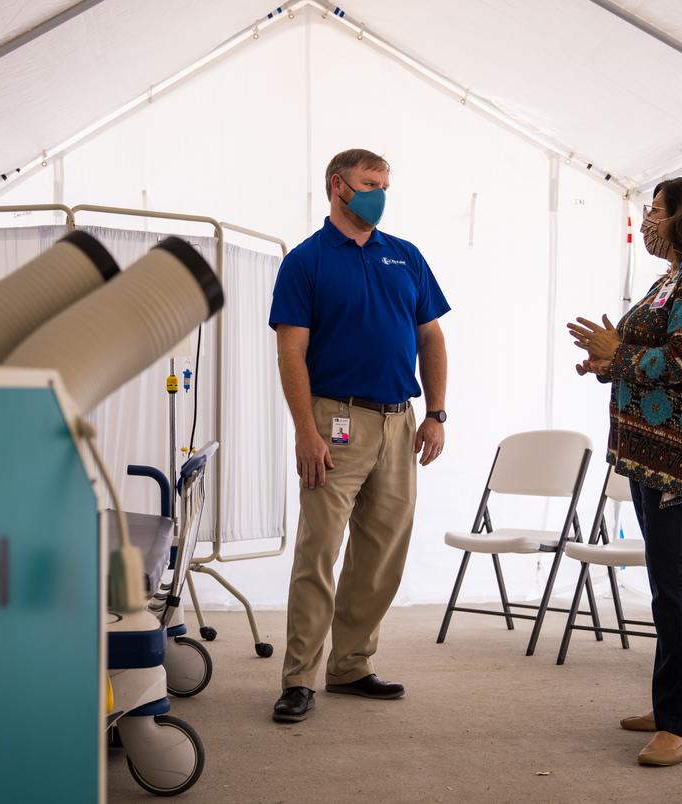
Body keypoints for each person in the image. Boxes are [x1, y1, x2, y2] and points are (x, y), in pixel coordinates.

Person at [267, 148, 450, 723]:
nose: (380, 194)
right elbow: (290, 350)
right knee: (319, 551)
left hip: (399, 421)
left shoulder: (406, 257)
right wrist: (305, 431)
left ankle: (350, 665)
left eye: (386, 185)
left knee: (381, 554)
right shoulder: (306, 262)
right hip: (334, 421)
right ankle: (299, 678)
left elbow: (432, 338)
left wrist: (436, 413)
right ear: (337, 186)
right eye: (370, 183)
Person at [568, 176, 682, 766]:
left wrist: (621, 355)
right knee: (677, 580)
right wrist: (608, 363)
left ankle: (678, 726)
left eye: (657, 211)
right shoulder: (676, 277)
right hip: (656, 451)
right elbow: (655, 354)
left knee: (674, 586)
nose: (648, 219)